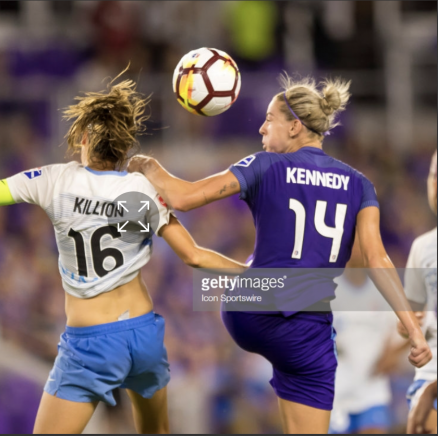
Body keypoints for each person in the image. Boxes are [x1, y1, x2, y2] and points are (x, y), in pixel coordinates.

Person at [0, 72, 247, 434]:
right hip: (143, 335)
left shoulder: (52, 180)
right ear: (124, 145)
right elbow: (194, 256)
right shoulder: (145, 192)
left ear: (84, 138)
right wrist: (253, 276)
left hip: (90, 345)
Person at [128, 74, 432, 434]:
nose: (260, 128)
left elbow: (183, 198)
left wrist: (148, 165)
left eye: (269, 119)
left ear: (294, 127)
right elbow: (377, 259)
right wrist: (414, 330)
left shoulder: (265, 165)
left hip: (252, 308)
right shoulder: (359, 184)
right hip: (307, 329)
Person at [329, 239, 406, 434]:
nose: (357, 248)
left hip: (372, 391)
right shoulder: (327, 289)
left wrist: (392, 355)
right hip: (335, 393)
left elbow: (402, 332)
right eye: (352, 242)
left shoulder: (386, 288)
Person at [398, 150, 437, 434]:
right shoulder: (422, 248)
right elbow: (410, 320)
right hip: (430, 372)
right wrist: (407, 326)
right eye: (435, 175)